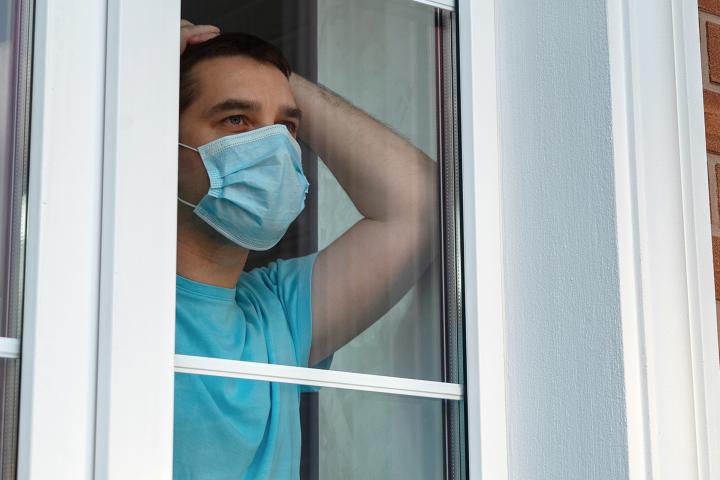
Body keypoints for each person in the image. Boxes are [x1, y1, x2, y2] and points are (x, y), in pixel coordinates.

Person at [174, 20, 438, 479]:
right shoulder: (98, 301)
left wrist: (269, 68)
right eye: (237, 119)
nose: (274, 148)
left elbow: (420, 205)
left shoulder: (278, 314)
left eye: (286, 126)